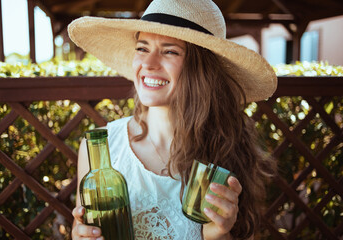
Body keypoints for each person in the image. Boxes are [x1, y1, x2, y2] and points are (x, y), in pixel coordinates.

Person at [68, 0, 277, 239]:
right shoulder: (101, 147)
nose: (148, 63)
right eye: (142, 48)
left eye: (169, 51)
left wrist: (218, 234)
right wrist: (80, 236)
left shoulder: (228, 148)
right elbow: (86, 228)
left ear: (201, 69)